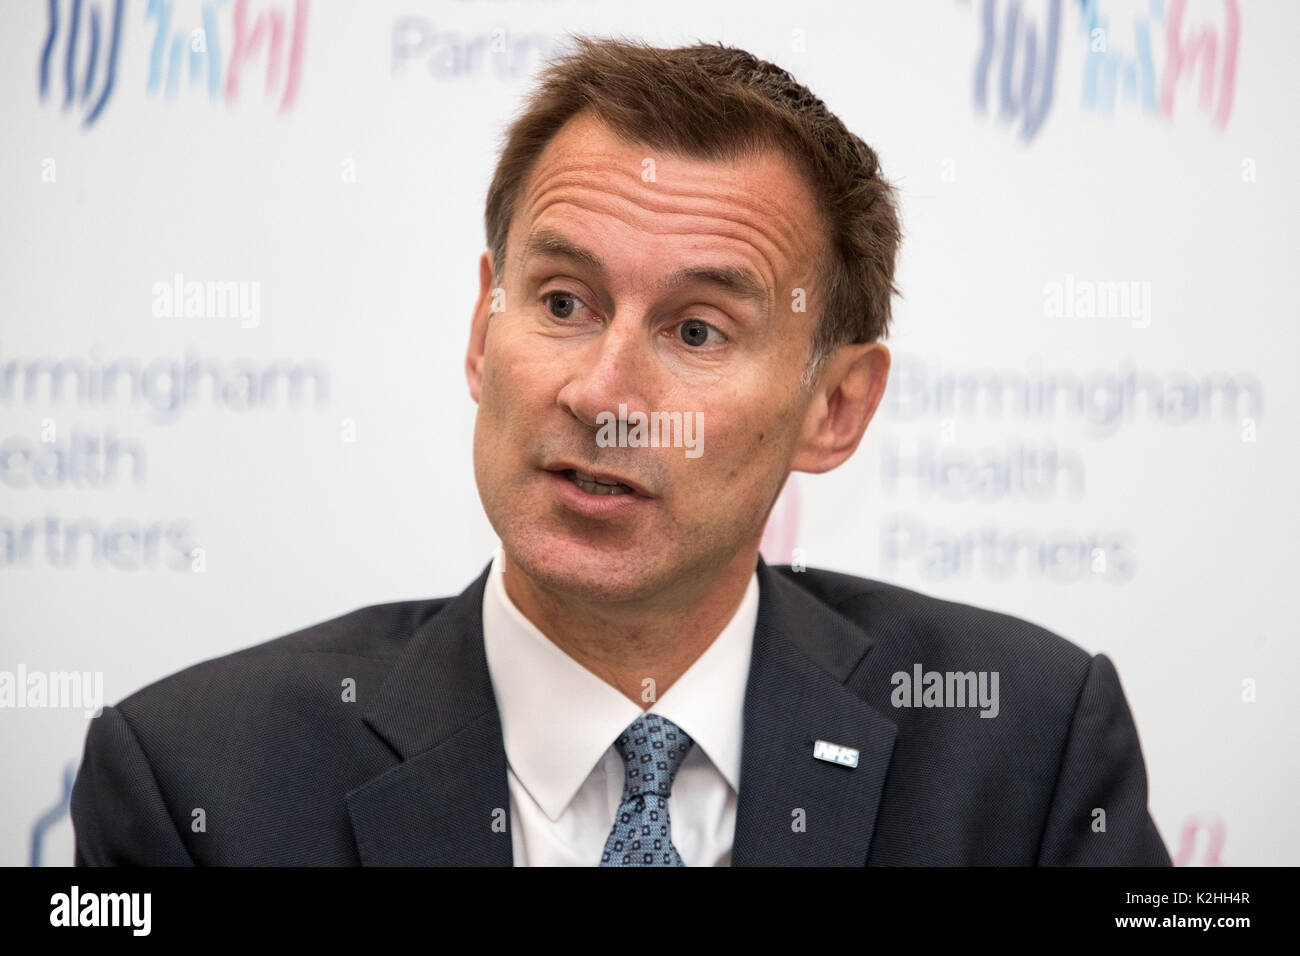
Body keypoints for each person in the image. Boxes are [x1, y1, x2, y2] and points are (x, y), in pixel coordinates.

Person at [71, 36, 1170, 866]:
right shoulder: (193, 778)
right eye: (560, 300)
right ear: (478, 333)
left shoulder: (1024, 747)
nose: (602, 392)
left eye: (697, 330)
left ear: (833, 407)